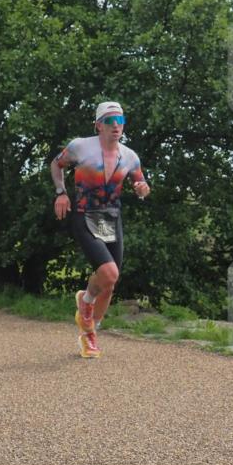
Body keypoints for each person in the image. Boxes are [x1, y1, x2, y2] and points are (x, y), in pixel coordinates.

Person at [51, 101, 150, 358]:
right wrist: (61, 193)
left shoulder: (129, 156)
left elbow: (139, 180)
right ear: (98, 125)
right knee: (108, 272)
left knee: (110, 282)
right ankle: (85, 303)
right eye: (109, 121)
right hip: (85, 214)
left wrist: (142, 188)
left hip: (111, 217)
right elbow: (56, 164)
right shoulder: (80, 147)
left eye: (120, 121)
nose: (115, 126)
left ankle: (89, 333)